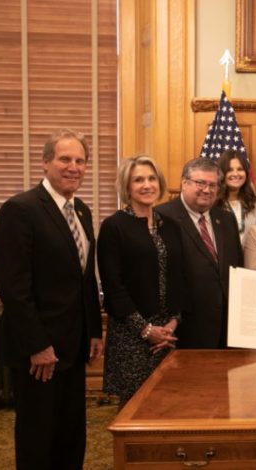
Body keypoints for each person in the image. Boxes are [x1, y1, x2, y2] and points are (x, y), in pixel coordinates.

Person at [0, 129, 103, 469]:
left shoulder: (81, 211)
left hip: (74, 346)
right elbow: (13, 288)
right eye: (65, 159)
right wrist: (37, 345)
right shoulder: (20, 210)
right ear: (45, 163)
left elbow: (85, 280)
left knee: (71, 433)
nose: (74, 167)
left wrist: (95, 331)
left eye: (80, 161)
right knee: (38, 435)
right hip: (39, 352)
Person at [97, 156, 184, 406]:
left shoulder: (169, 226)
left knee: (167, 407)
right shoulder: (114, 227)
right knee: (136, 410)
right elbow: (113, 287)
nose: (147, 185)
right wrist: (146, 331)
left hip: (168, 334)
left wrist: (172, 323)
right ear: (127, 187)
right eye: (138, 180)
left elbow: (179, 277)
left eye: (151, 178)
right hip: (132, 335)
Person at [156, 157, 243, 348]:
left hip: (227, 329)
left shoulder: (226, 219)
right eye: (200, 183)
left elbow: (238, 267)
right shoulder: (161, 218)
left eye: (213, 185)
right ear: (184, 183)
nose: (207, 190)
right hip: (184, 328)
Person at [216, 149, 256, 243]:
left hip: (252, 257)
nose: (236, 174)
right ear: (221, 174)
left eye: (240, 169)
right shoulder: (213, 205)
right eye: (230, 170)